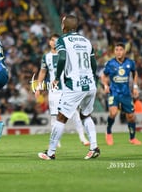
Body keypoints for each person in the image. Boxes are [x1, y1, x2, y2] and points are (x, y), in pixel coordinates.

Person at [38, 15, 100, 160]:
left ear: (64, 26)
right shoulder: (86, 41)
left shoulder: (62, 40)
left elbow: (63, 58)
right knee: (86, 115)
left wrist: (57, 78)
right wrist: (93, 78)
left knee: (61, 118)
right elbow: (94, 64)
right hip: (90, 83)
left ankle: (51, 153)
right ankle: (94, 147)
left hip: (74, 84)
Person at [34, 33, 90, 146]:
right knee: (54, 115)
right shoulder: (46, 57)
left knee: (75, 113)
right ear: (49, 42)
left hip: (67, 89)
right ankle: (56, 140)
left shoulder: (66, 55)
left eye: (56, 40)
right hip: (54, 91)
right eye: (52, 40)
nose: (54, 42)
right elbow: (42, 72)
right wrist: (38, 88)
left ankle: (82, 137)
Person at [101, 43, 142, 145]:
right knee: (113, 113)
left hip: (126, 94)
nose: (118, 52)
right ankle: (108, 132)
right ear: (114, 52)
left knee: (131, 116)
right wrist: (106, 86)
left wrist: (135, 87)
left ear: (124, 51)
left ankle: (132, 138)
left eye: (120, 50)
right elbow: (103, 75)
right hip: (114, 92)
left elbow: (135, 73)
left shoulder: (130, 63)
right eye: (116, 50)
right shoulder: (110, 63)